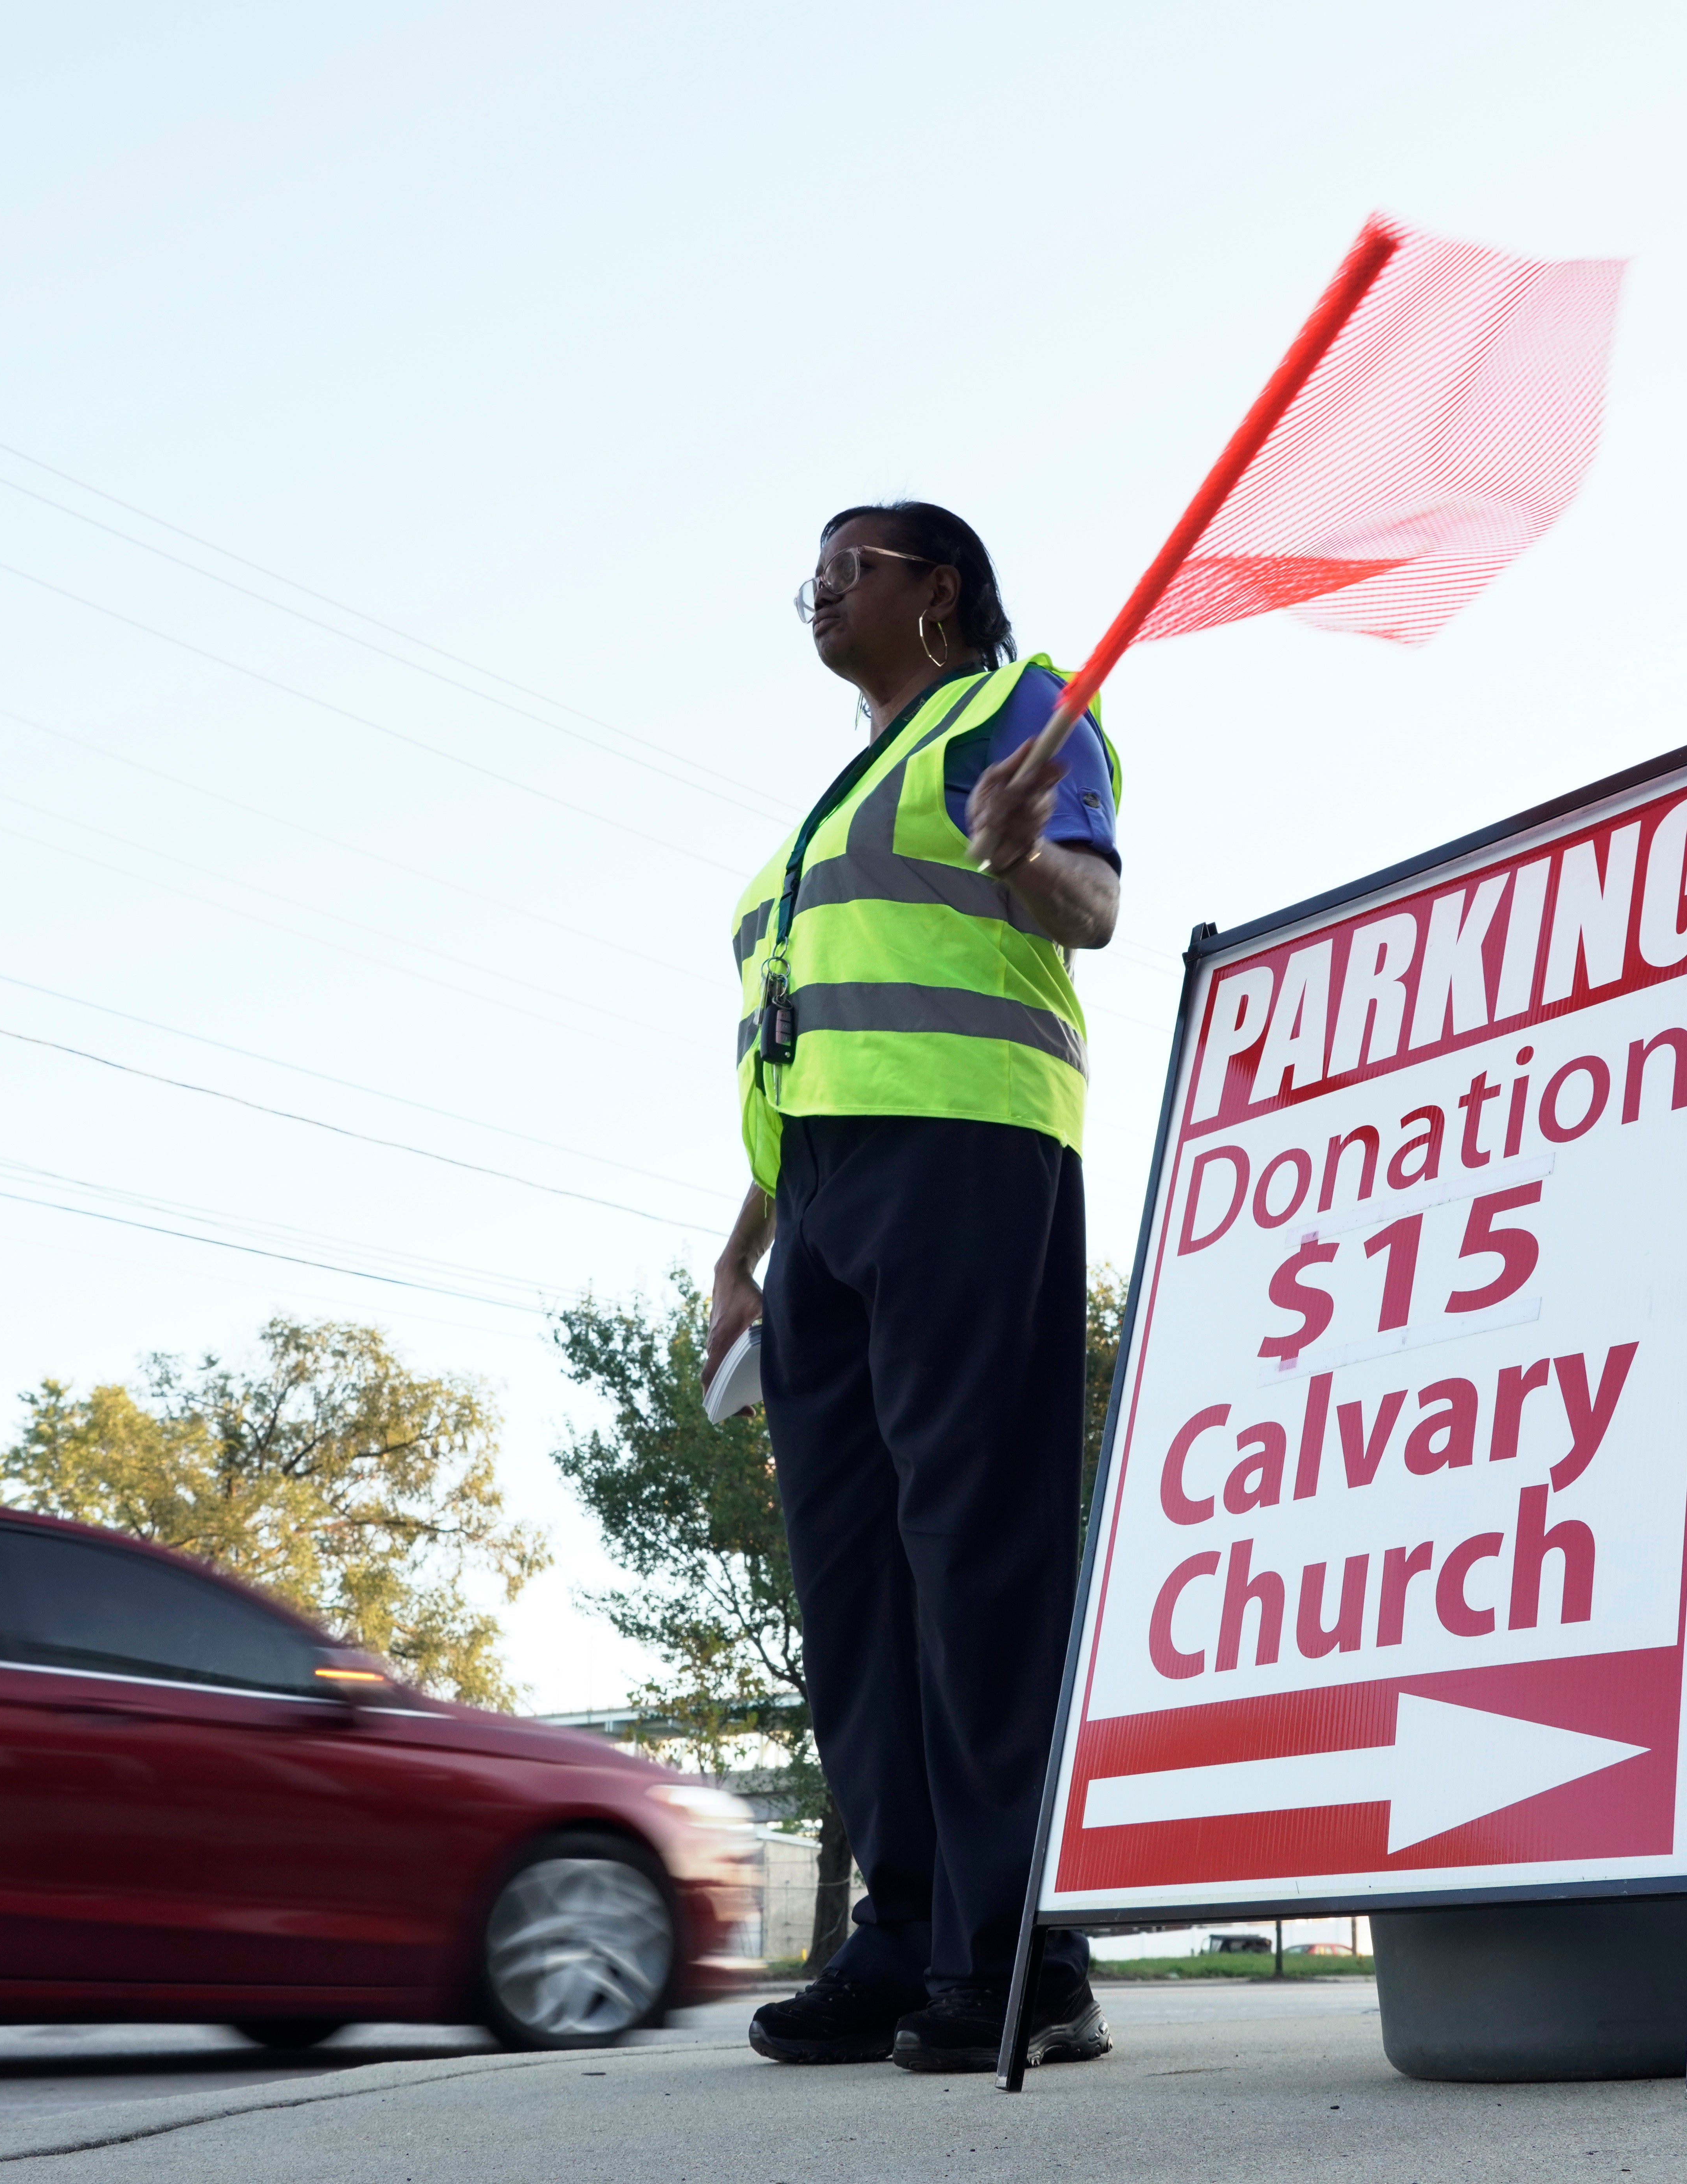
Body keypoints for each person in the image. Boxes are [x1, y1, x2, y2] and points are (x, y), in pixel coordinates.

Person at [712, 501, 1121, 2074]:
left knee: (974, 1550)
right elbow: (814, 1042)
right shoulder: (816, 818)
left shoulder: (1011, 711)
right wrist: (742, 1250)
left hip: (970, 1160)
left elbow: (1088, 902)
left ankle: (1023, 1949)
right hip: (819, 1202)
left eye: (847, 566)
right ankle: (902, 1933)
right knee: (855, 1590)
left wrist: (1026, 855)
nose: (815, 592)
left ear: (935, 587)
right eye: (805, 576)